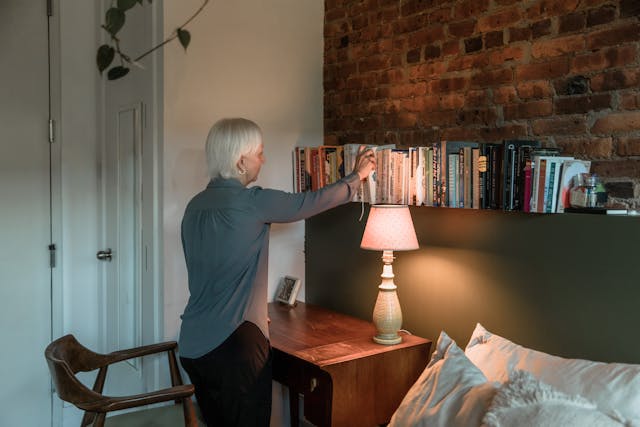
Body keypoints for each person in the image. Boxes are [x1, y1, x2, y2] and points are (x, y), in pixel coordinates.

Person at [178, 117, 376, 426]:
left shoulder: (194, 207)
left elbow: (208, 274)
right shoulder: (253, 202)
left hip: (193, 344)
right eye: (259, 152)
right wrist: (357, 176)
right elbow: (310, 202)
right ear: (241, 160)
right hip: (235, 348)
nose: (263, 159)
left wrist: (253, 309)